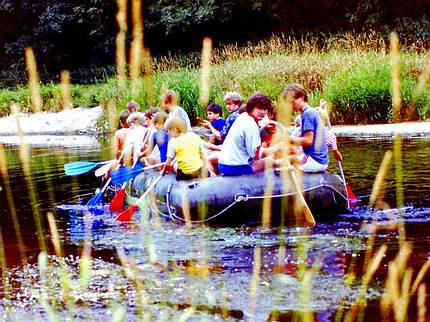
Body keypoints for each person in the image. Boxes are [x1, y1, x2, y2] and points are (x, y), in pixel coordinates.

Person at [217, 93, 280, 176]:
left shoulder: (243, 116)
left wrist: (264, 129)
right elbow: (256, 155)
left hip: (223, 164)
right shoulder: (251, 125)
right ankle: (292, 163)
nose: (263, 112)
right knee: (269, 161)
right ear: (251, 107)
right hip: (234, 167)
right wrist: (276, 149)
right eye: (259, 108)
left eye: (265, 109)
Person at [283, 84, 329, 173]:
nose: (291, 106)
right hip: (318, 160)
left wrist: (287, 139)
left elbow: (308, 141)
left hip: (315, 160)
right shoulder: (308, 113)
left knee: (282, 169)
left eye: (292, 102)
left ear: (302, 98)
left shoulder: (308, 114)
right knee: (286, 160)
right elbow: (301, 137)